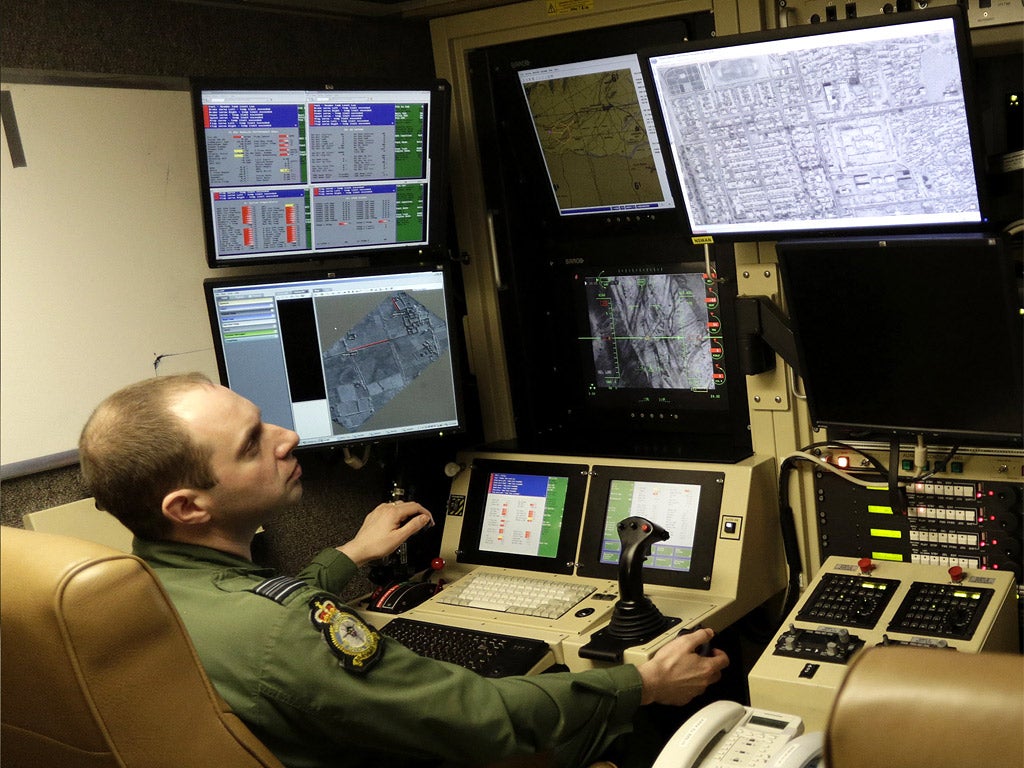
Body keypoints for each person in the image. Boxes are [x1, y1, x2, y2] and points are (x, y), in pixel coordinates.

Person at [78, 373, 730, 768]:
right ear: (188, 506)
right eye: (253, 444)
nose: (288, 437)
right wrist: (641, 683)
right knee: (622, 717)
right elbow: (479, 716)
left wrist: (349, 557)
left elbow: (254, 611)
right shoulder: (289, 630)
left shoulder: (143, 587)